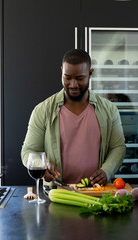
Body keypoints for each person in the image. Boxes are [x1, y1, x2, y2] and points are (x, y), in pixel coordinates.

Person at [21, 49, 126, 188]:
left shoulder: (109, 110)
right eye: (68, 78)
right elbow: (28, 151)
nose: (73, 84)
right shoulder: (43, 110)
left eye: (80, 78)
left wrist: (107, 170)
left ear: (90, 74)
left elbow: (118, 147)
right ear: (61, 71)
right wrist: (43, 166)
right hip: (56, 192)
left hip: (96, 192)